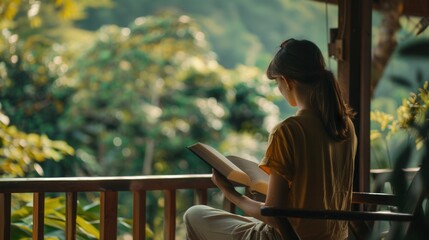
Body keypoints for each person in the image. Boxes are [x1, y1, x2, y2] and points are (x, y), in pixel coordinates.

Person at [183, 38, 357, 240]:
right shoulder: (345, 127)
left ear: (287, 80)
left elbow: (274, 216)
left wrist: (232, 194)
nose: (279, 89)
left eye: (276, 83)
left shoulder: (288, 130)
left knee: (194, 215)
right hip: (335, 238)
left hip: (284, 236)